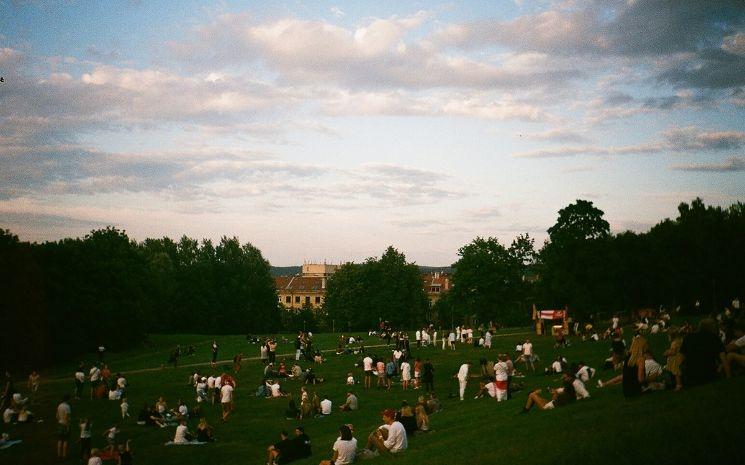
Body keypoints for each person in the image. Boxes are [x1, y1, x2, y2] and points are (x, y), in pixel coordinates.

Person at [680, 319, 729, 386]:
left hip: (690, 378)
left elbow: (681, 358)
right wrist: (729, 376)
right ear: (712, 328)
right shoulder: (714, 337)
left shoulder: (688, 337)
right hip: (709, 376)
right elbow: (724, 359)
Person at [56, 394, 71, 459]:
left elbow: (56, 416)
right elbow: (67, 417)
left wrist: (60, 420)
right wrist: (67, 426)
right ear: (68, 399)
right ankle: (64, 455)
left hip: (60, 424)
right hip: (65, 424)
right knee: (65, 440)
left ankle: (59, 454)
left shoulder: (60, 405)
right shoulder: (67, 407)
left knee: (59, 440)